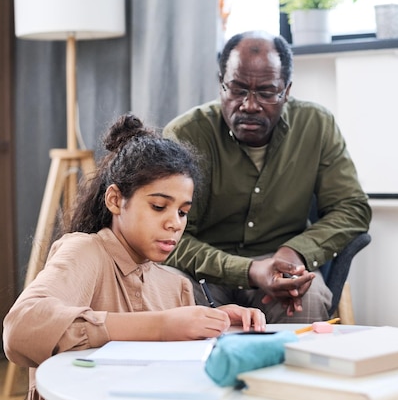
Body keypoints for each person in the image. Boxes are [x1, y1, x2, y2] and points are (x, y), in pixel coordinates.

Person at [3, 114, 266, 400]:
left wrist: (215, 324)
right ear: (115, 200)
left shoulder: (174, 286)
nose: (175, 223)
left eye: (182, 211)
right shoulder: (86, 252)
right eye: (158, 206)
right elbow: (20, 328)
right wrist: (162, 326)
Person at [162, 30, 372, 323]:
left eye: (266, 92)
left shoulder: (316, 126)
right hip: (201, 272)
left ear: (286, 91)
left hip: (280, 267)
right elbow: (168, 233)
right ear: (220, 83)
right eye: (236, 90)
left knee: (307, 301)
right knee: (166, 294)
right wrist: (247, 270)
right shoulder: (186, 135)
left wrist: (296, 251)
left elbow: (352, 208)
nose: (249, 105)